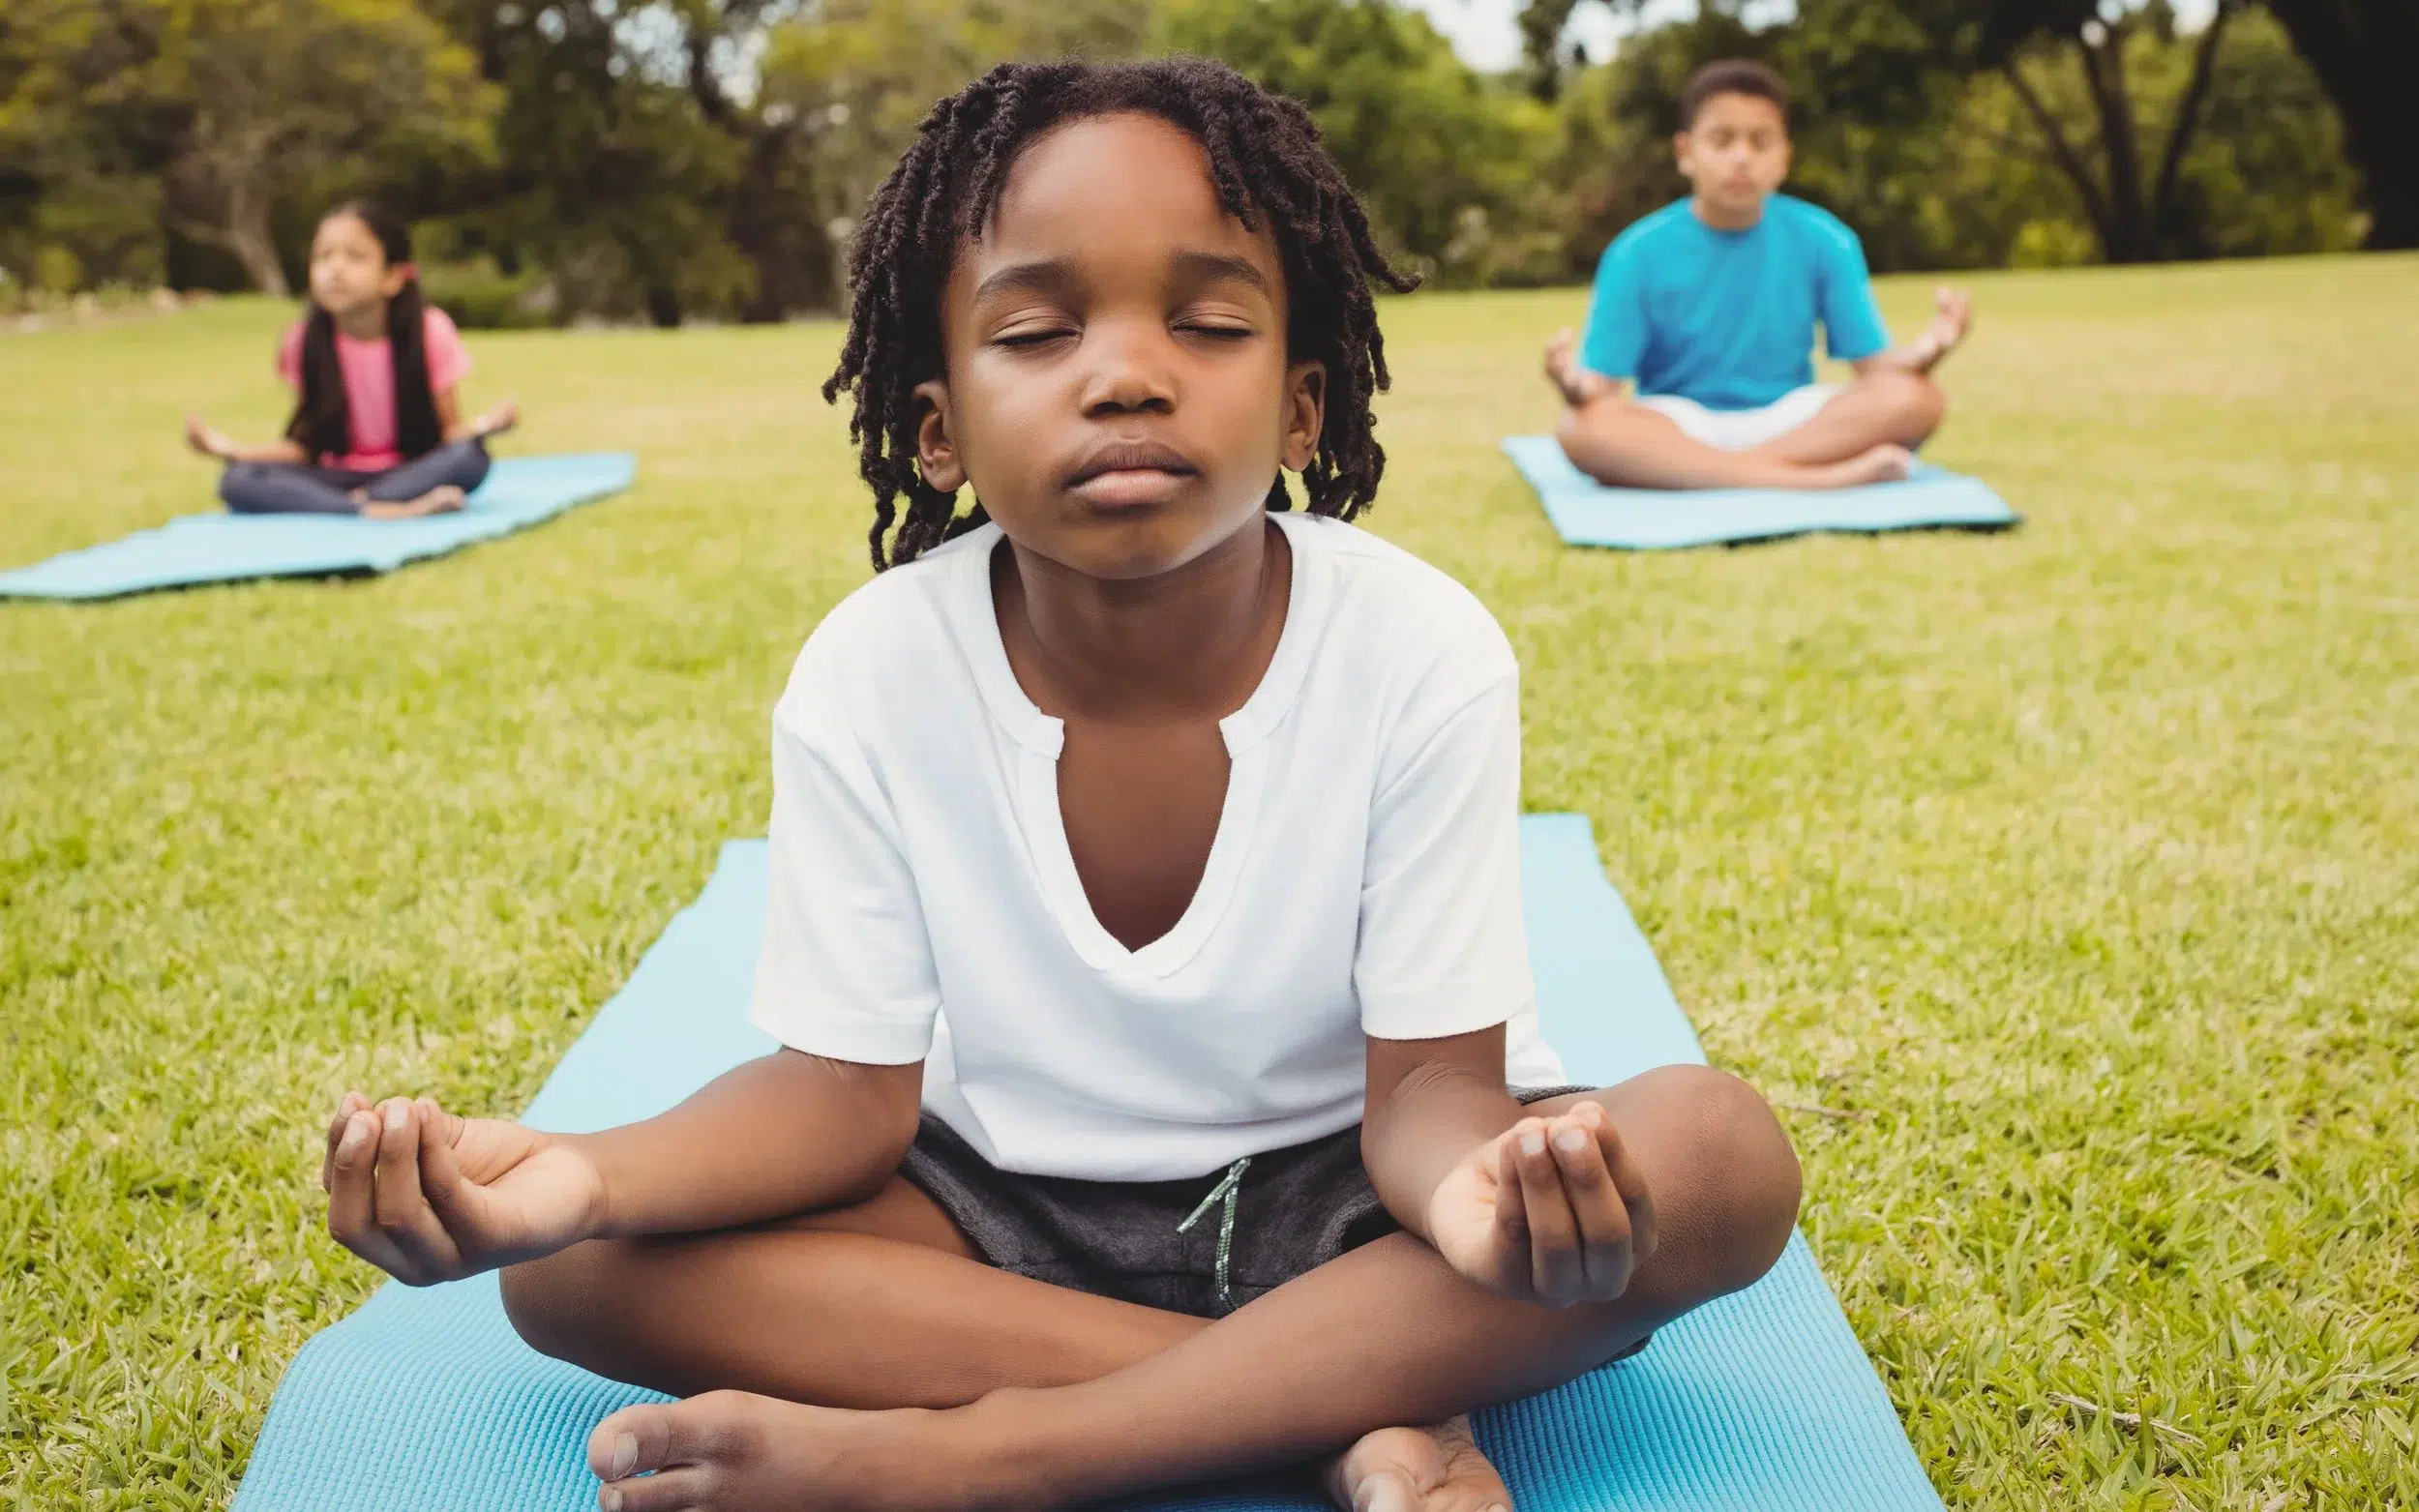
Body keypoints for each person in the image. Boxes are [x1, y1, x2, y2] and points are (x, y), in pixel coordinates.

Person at [315, 59, 1802, 1512]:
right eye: (1035, 333)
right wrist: (573, 1173)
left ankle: (996, 1456)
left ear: (1301, 410)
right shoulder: (873, 666)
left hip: (1356, 1192)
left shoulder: (1421, 645)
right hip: (995, 1210)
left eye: (1210, 322)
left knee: (1717, 1154)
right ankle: (1352, 1401)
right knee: (574, 1270)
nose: (1128, 372)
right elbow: (839, 1099)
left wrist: (1490, 1199)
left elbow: (1426, 1088)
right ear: (938, 431)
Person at [1544, 59, 1974, 491]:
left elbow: (1874, 369)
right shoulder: (1635, 252)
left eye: (1760, 141)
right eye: (1722, 140)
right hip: (1677, 420)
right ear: (1685, 153)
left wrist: (1924, 355)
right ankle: (1815, 480)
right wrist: (1572, 385)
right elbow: (1599, 389)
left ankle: (1719, 472)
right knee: (1584, 427)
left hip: (1791, 419)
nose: (1741, 157)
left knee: (1914, 398)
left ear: (1784, 156)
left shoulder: (1826, 239)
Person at [184, 202, 518, 519]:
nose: (335, 269)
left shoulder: (431, 332)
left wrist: (484, 427)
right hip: (335, 476)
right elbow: (305, 446)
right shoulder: (303, 341)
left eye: (355, 257)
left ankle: (359, 504)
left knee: (469, 458)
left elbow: (448, 435)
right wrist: (228, 449)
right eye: (323, 256)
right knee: (238, 480)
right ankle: (374, 509)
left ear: (394, 277)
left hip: (409, 470)